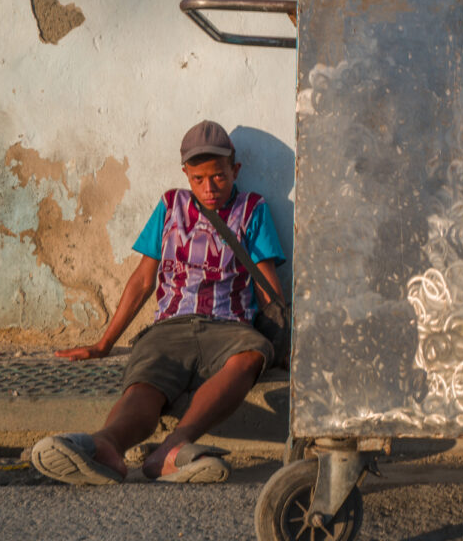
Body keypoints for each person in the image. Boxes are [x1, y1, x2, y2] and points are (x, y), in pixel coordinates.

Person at [30, 120, 286, 484]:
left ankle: (170, 450)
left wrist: (285, 343)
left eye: (218, 177)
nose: (209, 188)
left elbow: (268, 288)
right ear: (185, 174)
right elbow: (141, 281)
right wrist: (104, 343)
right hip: (170, 327)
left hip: (231, 328)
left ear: (235, 170)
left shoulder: (253, 209)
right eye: (198, 179)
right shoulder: (170, 206)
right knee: (146, 383)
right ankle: (106, 447)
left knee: (249, 358)